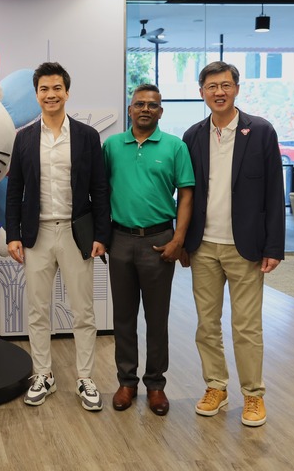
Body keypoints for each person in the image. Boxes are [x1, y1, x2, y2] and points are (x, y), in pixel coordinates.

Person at [180, 61, 284, 428]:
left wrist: (274, 246)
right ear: (202, 92)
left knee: (246, 327)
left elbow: (274, 192)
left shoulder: (260, 132)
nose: (218, 92)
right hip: (204, 246)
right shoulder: (192, 136)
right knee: (206, 325)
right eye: (211, 86)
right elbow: (186, 194)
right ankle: (216, 387)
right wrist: (182, 241)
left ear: (237, 88)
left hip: (247, 247)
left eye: (225, 85)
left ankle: (253, 395)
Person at [5, 61, 111, 412]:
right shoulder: (23, 138)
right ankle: (43, 375)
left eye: (56, 88)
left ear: (66, 91)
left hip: (76, 232)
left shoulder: (86, 136)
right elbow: (14, 189)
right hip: (37, 234)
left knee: (83, 310)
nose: (50, 95)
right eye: (44, 89)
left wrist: (101, 233)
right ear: (37, 95)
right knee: (38, 310)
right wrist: (13, 234)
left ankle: (85, 378)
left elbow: (99, 188)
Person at [102, 84, 194, 416]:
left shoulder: (175, 147)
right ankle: (127, 382)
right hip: (121, 240)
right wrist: (101, 236)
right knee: (123, 318)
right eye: (139, 104)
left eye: (152, 105)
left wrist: (178, 239)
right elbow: (100, 193)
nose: (145, 109)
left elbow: (186, 195)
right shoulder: (112, 145)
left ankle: (156, 386)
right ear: (129, 110)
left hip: (159, 242)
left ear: (161, 111)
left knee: (157, 319)